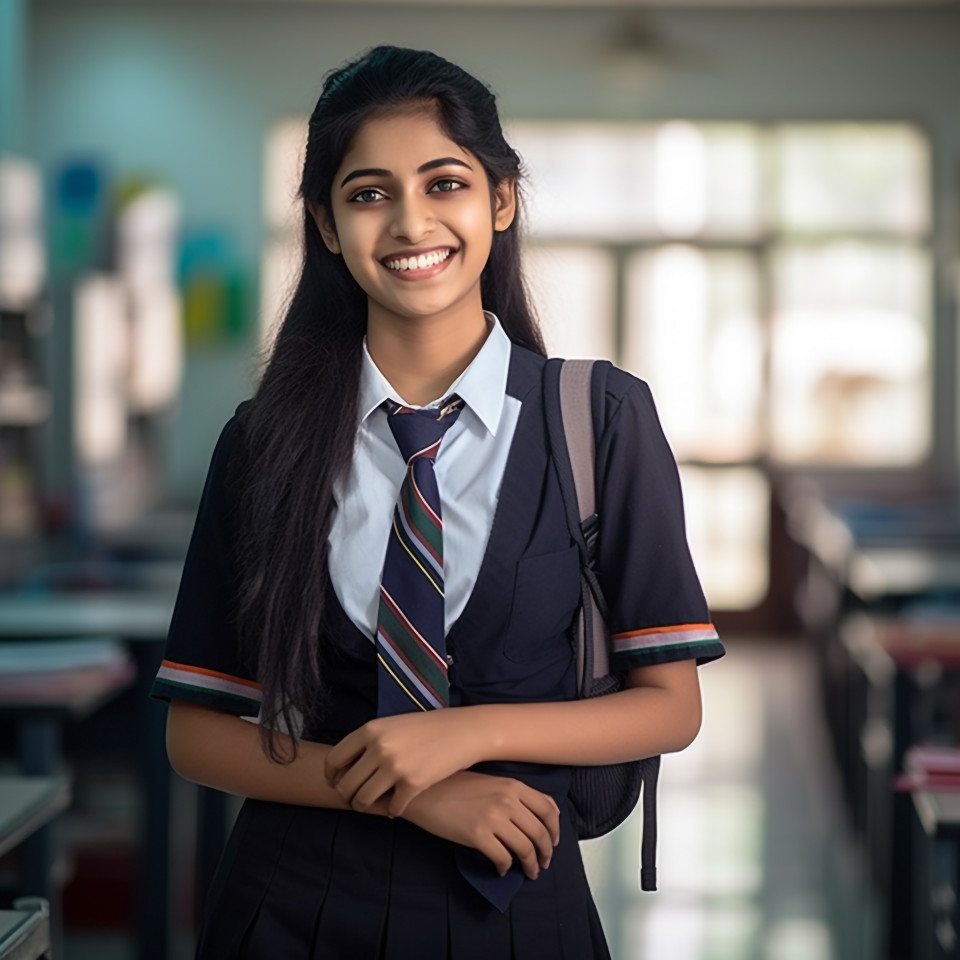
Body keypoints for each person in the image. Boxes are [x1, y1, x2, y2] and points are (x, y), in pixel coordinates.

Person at [151, 44, 725, 959]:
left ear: (500, 200)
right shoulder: (262, 444)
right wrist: (416, 791)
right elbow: (197, 734)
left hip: (516, 903)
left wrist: (464, 738)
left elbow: (671, 706)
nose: (411, 222)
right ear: (327, 226)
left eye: (445, 183)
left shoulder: (598, 417)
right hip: (290, 907)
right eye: (369, 193)